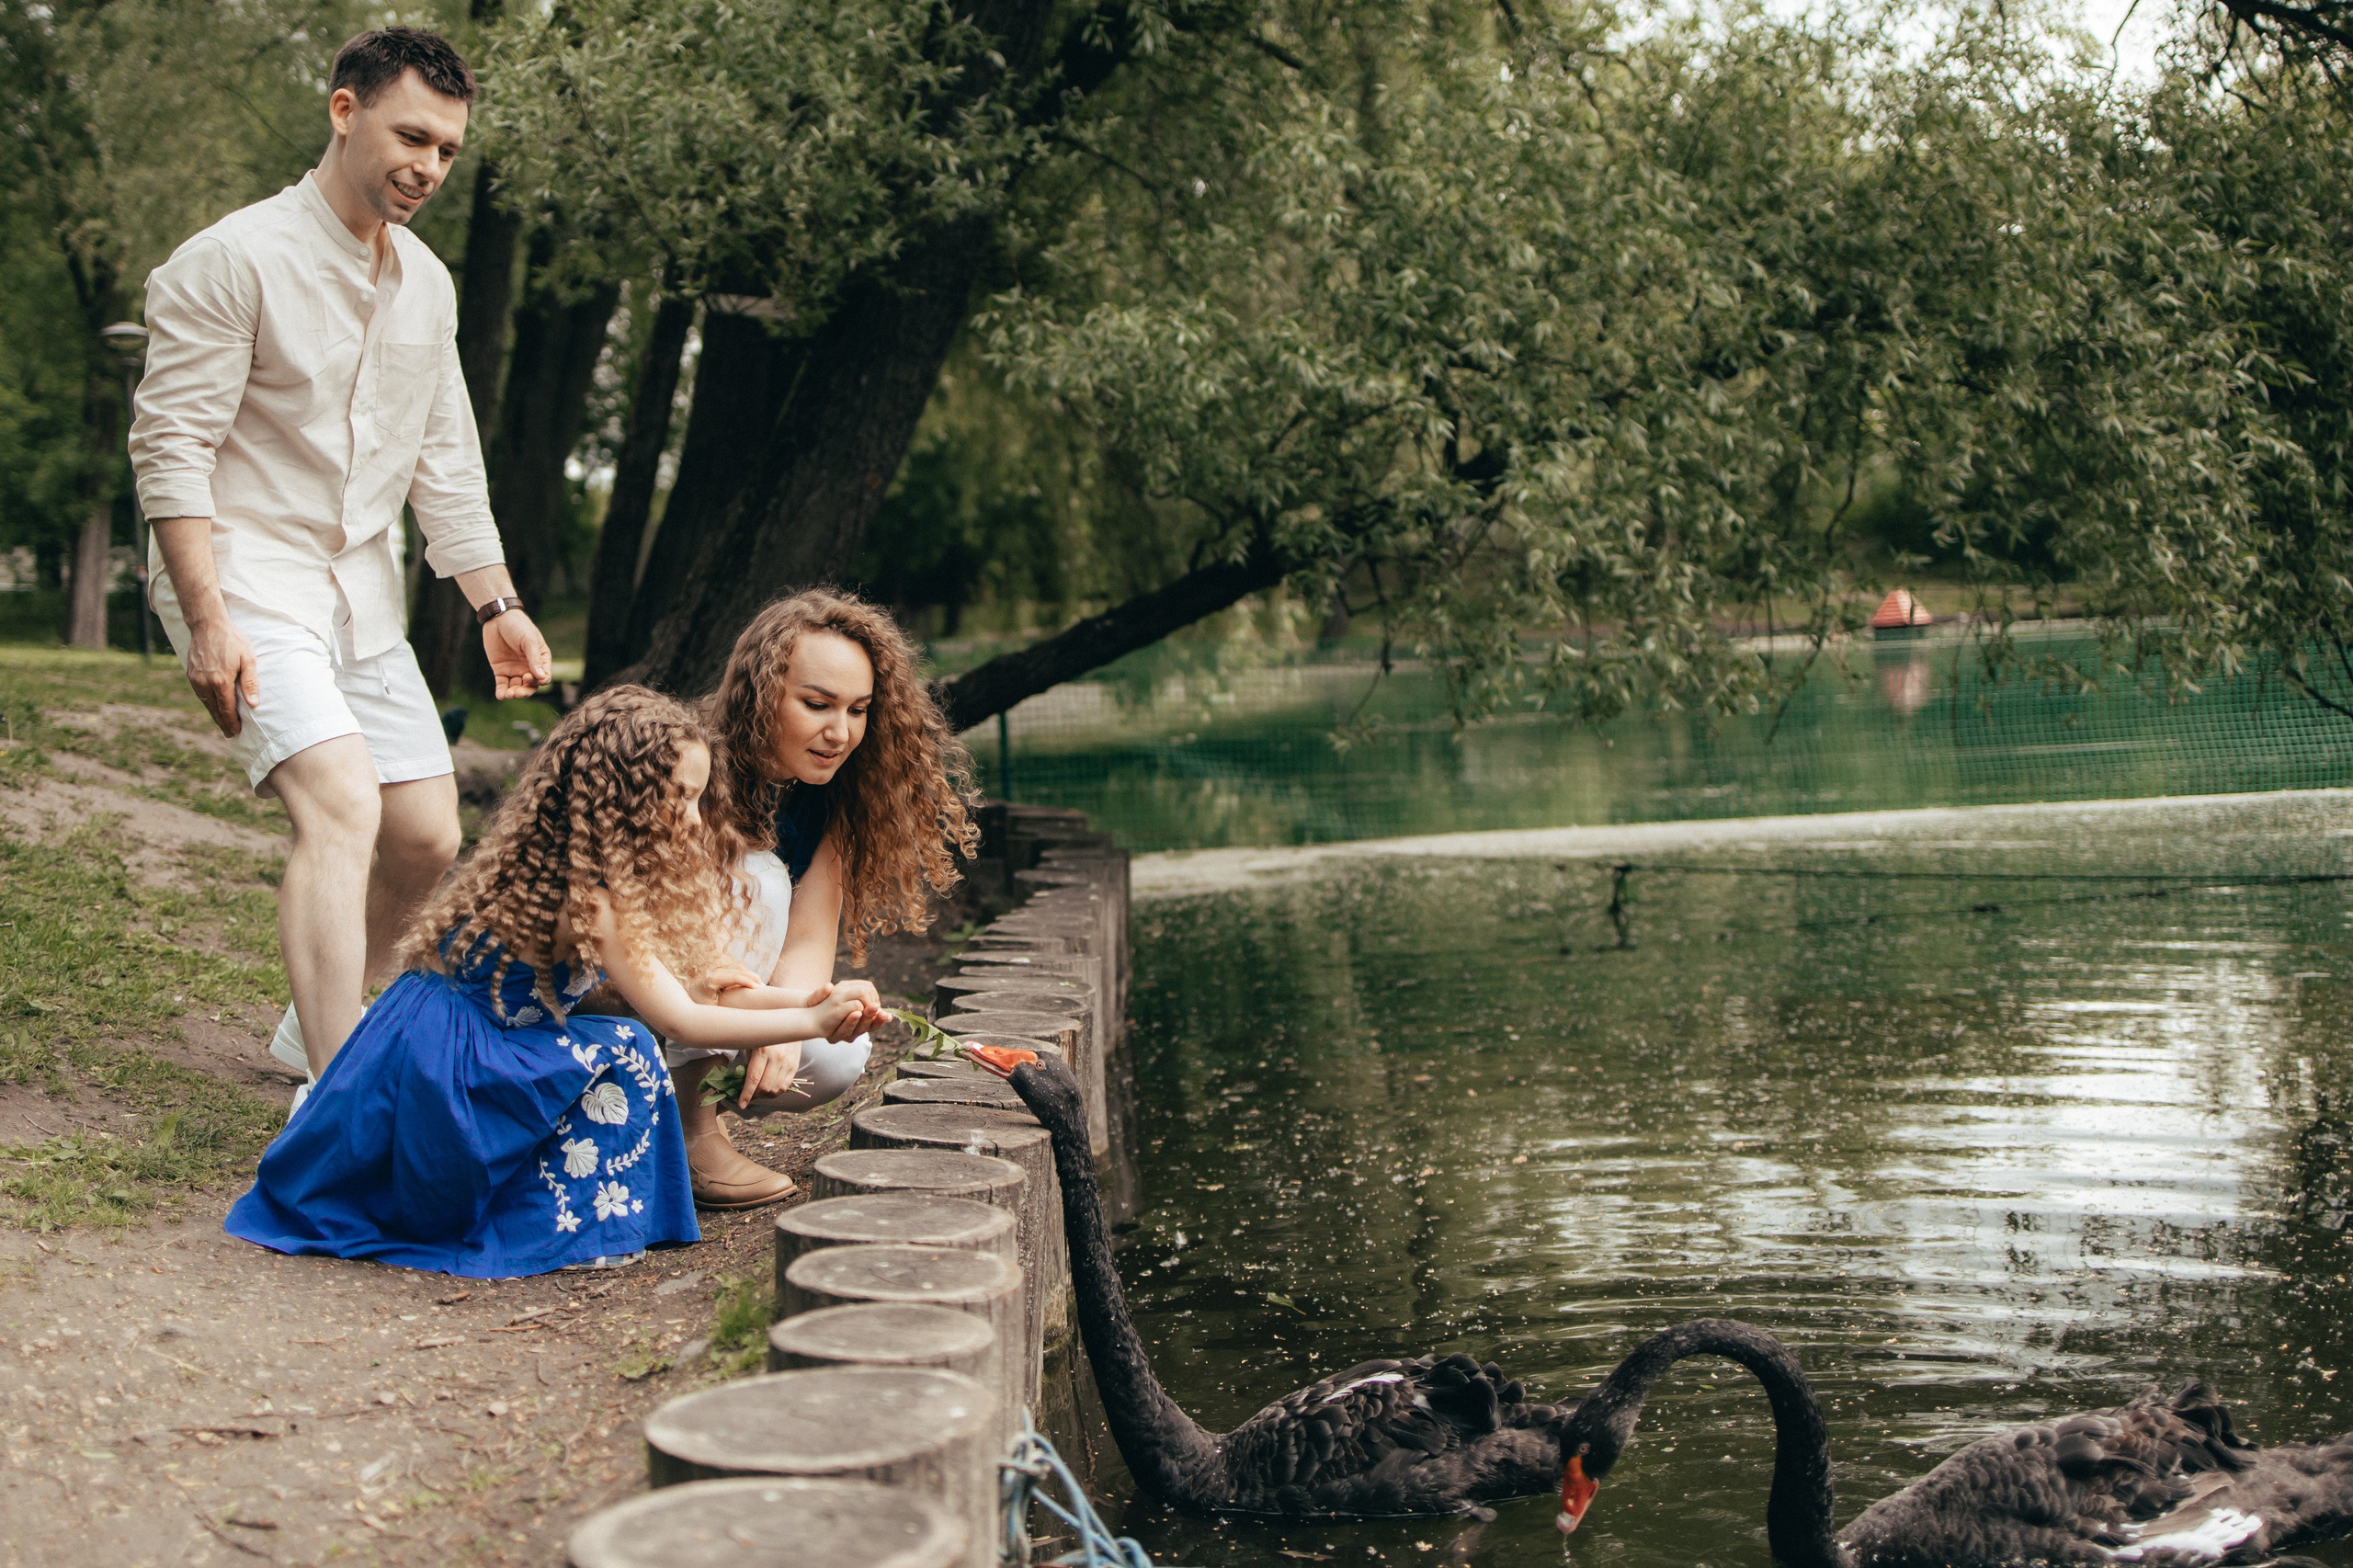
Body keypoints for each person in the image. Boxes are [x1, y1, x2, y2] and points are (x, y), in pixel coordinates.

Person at [127, 27, 551, 1109]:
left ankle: (302, 1022)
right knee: (341, 805)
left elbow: (443, 458)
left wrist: (494, 601)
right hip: (242, 574)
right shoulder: (233, 259)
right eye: (412, 135)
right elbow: (170, 446)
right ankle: (338, 1089)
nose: (429, 166)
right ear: (343, 110)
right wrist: (208, 617)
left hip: (360, 590)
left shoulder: (429, 285)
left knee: (426, 832)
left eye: (450, 150)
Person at [223, 687, 882, 1277]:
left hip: (422, 1037)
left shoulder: (564, 860)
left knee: (615, 1035)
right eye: (681, 798)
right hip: (451, 1065)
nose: (693, 818)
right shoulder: (596, 898)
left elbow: (700, 992)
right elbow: (683, 1021)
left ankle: (550, 1193)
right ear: (622, 798)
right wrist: (812, 1023)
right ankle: (564, 1214)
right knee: (626, 1049)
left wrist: (813, 998)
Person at [667, 589, 981, 1208]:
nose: (841, 733)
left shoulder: (830, 798)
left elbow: (811, 938)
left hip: (724, 1008)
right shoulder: (690, 771)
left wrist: (783, 1031)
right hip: (639, 999)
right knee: (757, 875)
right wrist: (770, 1018)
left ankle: (683, 1108)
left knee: (837, 1054)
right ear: (760, 695)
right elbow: (668, 946)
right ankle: (689, 1134)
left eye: (859, 710)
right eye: (816, 704)